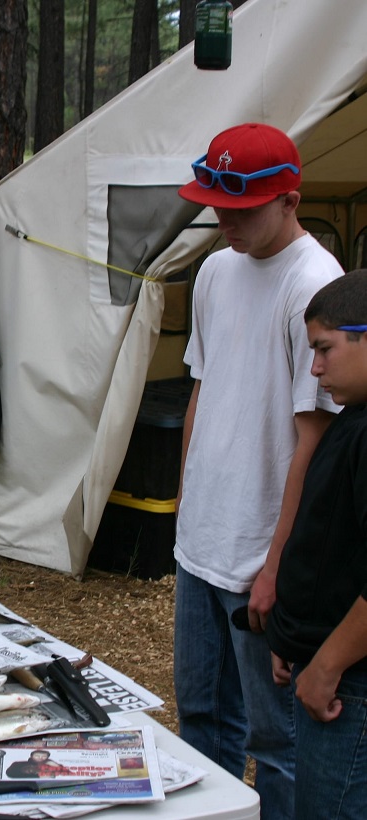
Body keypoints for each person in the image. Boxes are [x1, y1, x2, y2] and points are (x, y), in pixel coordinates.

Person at [173, 122, 343, 818]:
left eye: (241, 210)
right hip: (202, 543)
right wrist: (187, 506)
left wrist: (278, 565)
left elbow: (315, 439)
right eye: (215, 205)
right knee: (202, 720)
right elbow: (202, 390)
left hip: (258, 557)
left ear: (291, 200)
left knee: (275, 741)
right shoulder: (215, 270)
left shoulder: (315, 284)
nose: (225, 221)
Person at [266, 270, 367, 819]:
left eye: (325, 348)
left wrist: (326, 664)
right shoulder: (354, 417)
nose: (315, 367)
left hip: (350, 690)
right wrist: (293, 637)